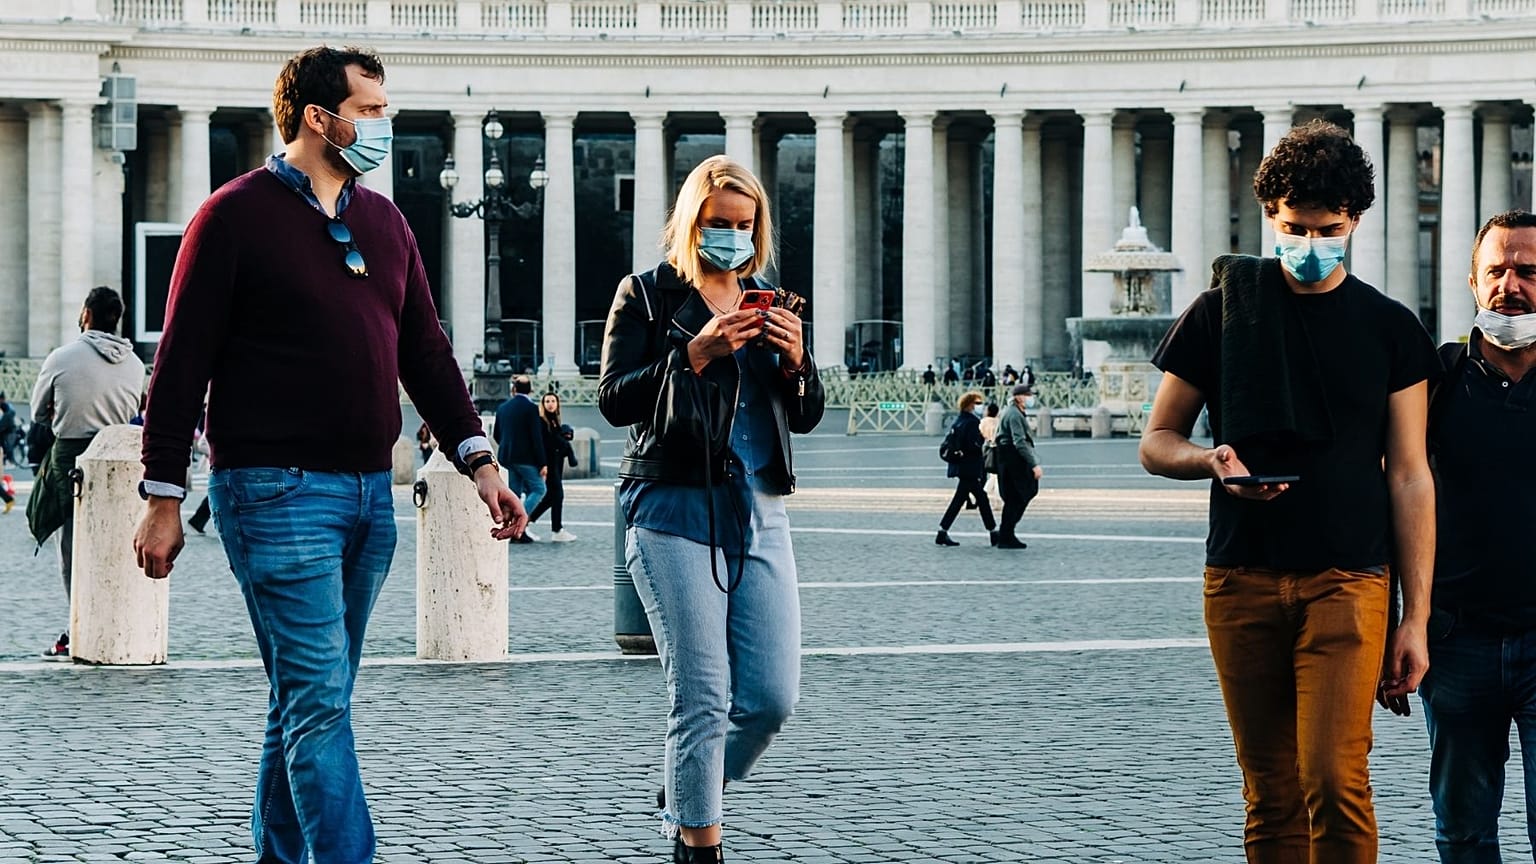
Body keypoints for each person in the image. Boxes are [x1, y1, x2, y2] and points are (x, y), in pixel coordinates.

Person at [130, 46, 526, 864]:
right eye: (371, 109)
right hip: (272, 493)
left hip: (366, 500)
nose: (384, 124)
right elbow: (180, 363)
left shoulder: (384, 223)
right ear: (320, 116)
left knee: (310, 700)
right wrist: (164, 494)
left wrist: (480, 462)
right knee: (318, 702)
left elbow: (428, 352)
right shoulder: (232, 216)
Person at [1138, 119, 1438, 863]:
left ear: (1355, 222)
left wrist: (1417, 619)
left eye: (1327, 229)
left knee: (1336, 782)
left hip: (1349, 580)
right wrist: (1210, 462)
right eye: (1293, 228)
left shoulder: (1391, 328)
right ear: (1268, 217)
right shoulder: (1221, 311)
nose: (1309, 245)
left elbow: (1409, 473)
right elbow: (1157, 441)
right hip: (1240, 577)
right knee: (1269, 792)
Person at [599, 154, 825, 863]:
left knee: (769, 698)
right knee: (700, 694)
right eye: (716, 222)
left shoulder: (770, 300)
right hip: (670, 506)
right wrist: (689, 355)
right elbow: (613, 399)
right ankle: (700, 847)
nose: (729, 235)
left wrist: (797, 364)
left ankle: (687, 789)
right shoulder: (647, 294)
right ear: (690, 221)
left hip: (759, 506)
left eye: (742, 224)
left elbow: (807, 414)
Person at [1420, 209, 1536, 862]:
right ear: (1472, 281)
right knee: (1463, 834)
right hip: (1456, 641)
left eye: (1528, 271)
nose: (1509, 285)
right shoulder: (1433, 382)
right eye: (1495, 270)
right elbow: (1391, 496)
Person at [27, 286, 145, 659]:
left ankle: (78, 626)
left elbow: (35, 413)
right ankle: (117, 617)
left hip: (73, 457)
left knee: (72, 549)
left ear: (86, 314)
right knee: (117, 543)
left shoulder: (62, 358)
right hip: (123, 456)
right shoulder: (135, 364)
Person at [935, 391, 996, 547]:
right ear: (970, 405)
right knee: (980, 499)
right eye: (977, 403)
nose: (980, 406)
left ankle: (943, 531)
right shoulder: (972, 422)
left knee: (968, 499)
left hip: (961, 466)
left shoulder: (959, 420)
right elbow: (973, 445)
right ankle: (994, 532)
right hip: (970, 467)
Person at [495, 374, 548, 542]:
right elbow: (536, 438)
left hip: (506, 456)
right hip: (525, 459)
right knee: (539, 489)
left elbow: (497, 434)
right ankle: (519, 523)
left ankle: (516, 531)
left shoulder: (503, 407)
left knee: (514, 494)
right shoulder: (531, 408)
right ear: (530, 390)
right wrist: (542, 463)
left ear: (514, 389)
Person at [992, 383, 1041, 550]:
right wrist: (1034, 464)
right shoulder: (1013, 414)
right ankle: (1006, 534)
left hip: (1009, 458)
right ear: (1019, 397)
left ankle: (1007, 533)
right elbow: (1019, 442)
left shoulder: (1012, 411)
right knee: (1019, 495)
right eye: (1028, 395)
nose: (1031, 398)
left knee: (1017, 496)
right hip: (1013, 459)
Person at [526, 391, 578, 542]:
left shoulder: (555, 420)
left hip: (556, 464)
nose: (550, 404)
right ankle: (557, 530)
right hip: (548, 464)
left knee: (550, 498)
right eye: (547, 401)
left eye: (553, 401)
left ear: (557, 404)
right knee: (557, 495)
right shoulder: (542, 421)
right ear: (543, 404)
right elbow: (547, 442)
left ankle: (527, 521)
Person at [0, 392, 17, 467]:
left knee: (8, 446)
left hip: (9, 430)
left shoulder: (7, 409)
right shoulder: (7, 406)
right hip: (6, 429)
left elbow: (4, 421)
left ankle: (11, 461)